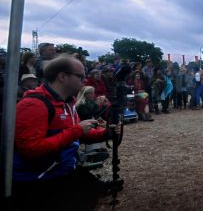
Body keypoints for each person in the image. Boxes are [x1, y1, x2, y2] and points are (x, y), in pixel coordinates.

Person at [12, 55, 122, 210]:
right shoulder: (33, 105)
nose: (84, 80)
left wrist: (106, 134)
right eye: (80, 76)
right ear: (62, 76)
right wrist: (76, 130)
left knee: (90, 193)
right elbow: (31, 149)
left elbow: (79, 135)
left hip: (63, 171)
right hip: (38, 181)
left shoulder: (67, 103)